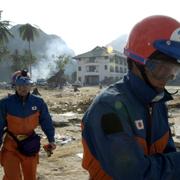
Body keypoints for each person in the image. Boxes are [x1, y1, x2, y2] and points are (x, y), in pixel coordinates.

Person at [81, 15, 180, 179]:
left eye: (173, 71)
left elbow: (168, 152)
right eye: (161, 69)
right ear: (136, 63)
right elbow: (133, 173)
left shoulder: (158, 103)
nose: (166, 78)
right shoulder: (108, 107)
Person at [0, 69, 56, 180]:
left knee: (30, 177)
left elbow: (46, 121)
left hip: (30, 145)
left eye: (26, 84)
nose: (23, 88)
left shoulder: (38, 102)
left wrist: (51, 139)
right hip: (11, 146)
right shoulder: (5, 103)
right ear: (14, 86)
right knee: (12, 177)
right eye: (20, 85)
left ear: (30, 85)